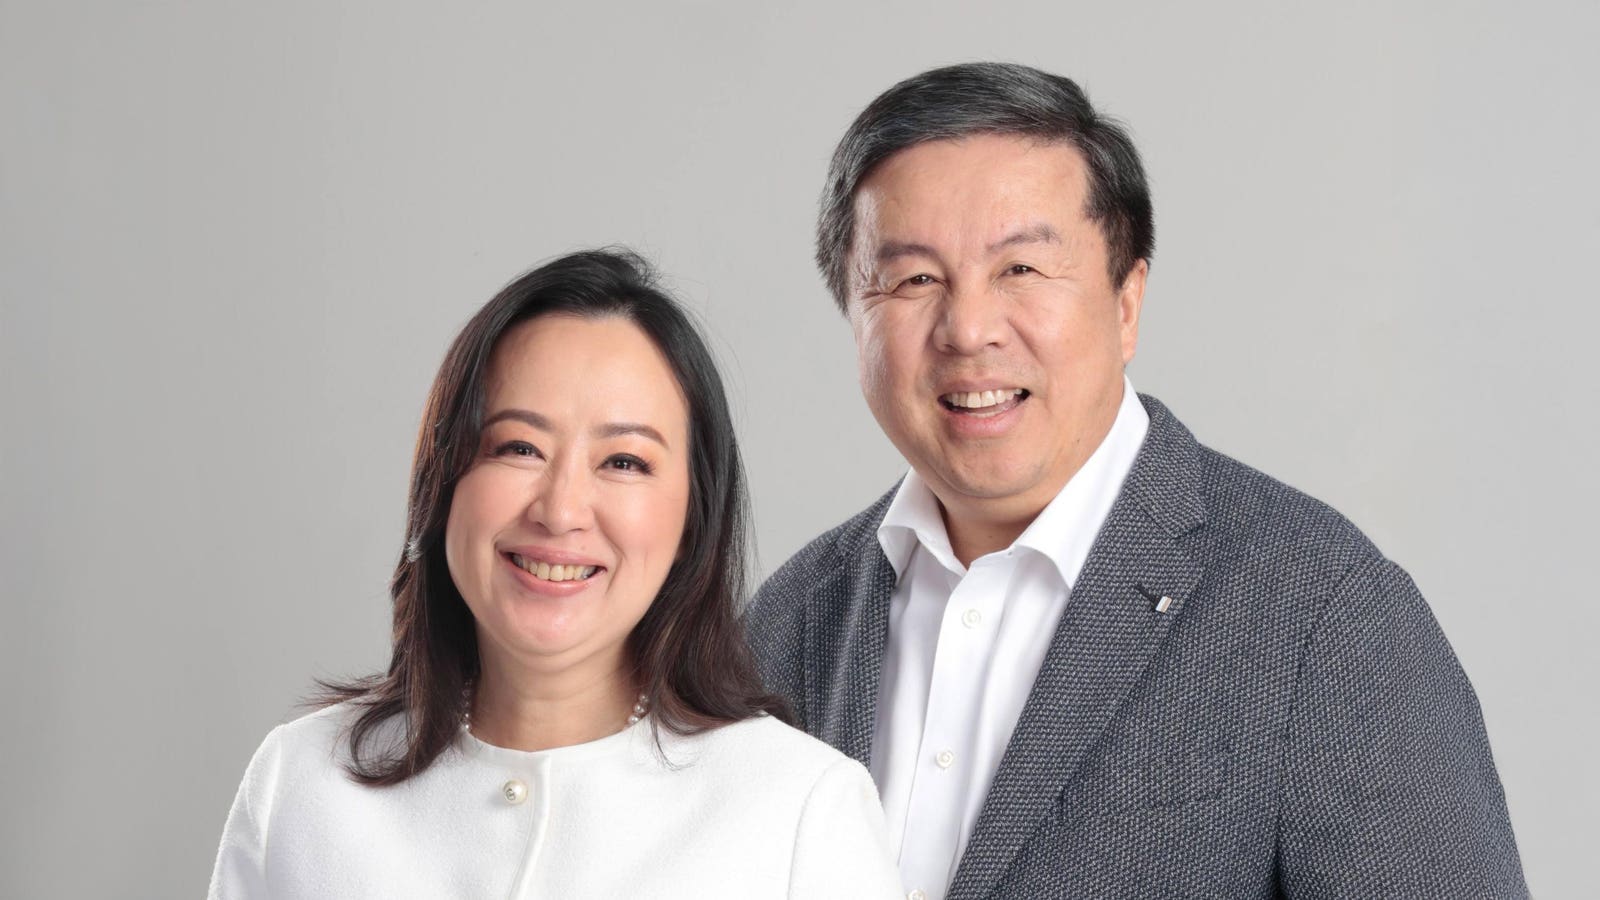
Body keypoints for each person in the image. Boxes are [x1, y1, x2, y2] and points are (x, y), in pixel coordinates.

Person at [747, 63, 1527, 900]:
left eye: (1021, 269)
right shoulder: (787, 626)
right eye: (914, 280)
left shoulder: (1321, 611)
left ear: (1126, 302)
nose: (968, 330)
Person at [209, 249, 902, 899]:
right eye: (519, 447)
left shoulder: (802, 810)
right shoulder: (302, 782)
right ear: (445, 482)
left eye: (624, 461)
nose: (561, 510)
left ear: (693, 519)